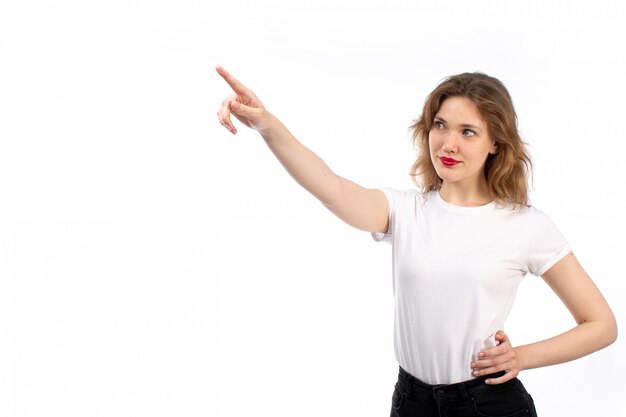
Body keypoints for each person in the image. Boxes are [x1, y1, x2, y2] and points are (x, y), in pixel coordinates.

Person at [215, 65, 617, 417]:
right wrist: (267, 124)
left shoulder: (525, 226)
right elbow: (330, 188)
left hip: (488, 404)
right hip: (412, 401)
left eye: (468, 132)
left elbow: (601, 325)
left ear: (496, 143)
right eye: (440, 125)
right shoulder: (405, 212)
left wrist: (521, 357)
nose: (448, 144)